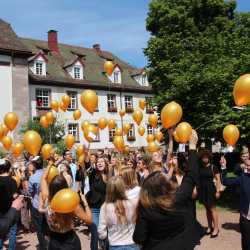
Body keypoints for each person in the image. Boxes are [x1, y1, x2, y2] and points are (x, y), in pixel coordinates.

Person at [133, 130, 202, 250]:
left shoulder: (146, 208)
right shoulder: (178, 198)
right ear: (166, 186)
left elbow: (139, 238)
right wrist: (192, 147)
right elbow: (191, 176)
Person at [39, 165, 92, 250]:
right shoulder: (70, 204)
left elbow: (43, 179)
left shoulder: (46, 198)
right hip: (69, 241)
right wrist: (85, 203)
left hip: (54, 241)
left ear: (51, 186)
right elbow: (89, 221)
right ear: (65, 187)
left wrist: (50, 164)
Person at [98, 176, 139, 250]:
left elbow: (101, 232)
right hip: (132, 243)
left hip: (115, 244)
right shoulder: (132, 203)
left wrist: (104, 239)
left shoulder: (105, 207)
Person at [221, 156, 250, 250]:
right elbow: (225, 181)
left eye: (249, 165)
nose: (248, 167)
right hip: (246, 217)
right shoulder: (243, 178)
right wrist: (224, 167)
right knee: (246, 241)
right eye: (246, 166)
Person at [198, 150, 222, 238]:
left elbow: (218, 180)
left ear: (209, 157)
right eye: (203, 157)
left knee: (212, 209)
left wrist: (218, 191)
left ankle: (216, 228)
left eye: (206, 157)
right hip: (203, 191)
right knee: (207, 209)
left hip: (211, 190)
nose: (205, 159)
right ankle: (209, 227)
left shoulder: (213, 167)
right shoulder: (200, 167)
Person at [86, 157, 108, 250]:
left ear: (106, 163)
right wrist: (86, 155)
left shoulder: (110, 174)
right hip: (95, 208)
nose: (99, 163)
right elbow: (87, 166)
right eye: (98, 162)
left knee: (107, 232)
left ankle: (105, 247)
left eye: (102, 161)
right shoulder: (93, 174)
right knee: (95, 231)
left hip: (107, 208)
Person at [28, 156, 48, 250]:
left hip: (36, 205)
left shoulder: (33, 177)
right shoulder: (48, 173)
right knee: (49, 226)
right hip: (48, 205)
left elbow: (30, 191)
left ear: (35, 165)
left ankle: (43, 246)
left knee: (39, 228)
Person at [0, 159, 18, 250]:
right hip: (11, 210)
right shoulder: (12, 181)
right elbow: (15, 196)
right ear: (8, 168)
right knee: (12, 231)